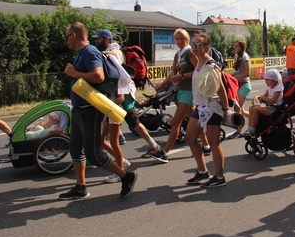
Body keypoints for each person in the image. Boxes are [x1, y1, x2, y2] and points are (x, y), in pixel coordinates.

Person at [59, 22, 137, 200]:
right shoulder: (81, 53)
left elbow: (98, 76)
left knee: (94, 154)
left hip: (90, 109)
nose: (66, 42)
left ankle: (127, 177)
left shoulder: (89, 52)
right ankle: (80, 187)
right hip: (80, 108)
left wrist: (74, 73)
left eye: (66, 37)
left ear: (74, 36)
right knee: (75, 149)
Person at [151, 29, 211, 163]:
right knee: (194, 119)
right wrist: (162, 84)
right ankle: (206, 146)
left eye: (182, 39)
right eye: (177, 39)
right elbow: (173, 72)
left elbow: (198, 70)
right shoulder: (178, 54)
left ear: (187, 40)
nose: (179, 41)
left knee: (176, 122)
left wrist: (182, 76)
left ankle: (165, 153)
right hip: (181, 90)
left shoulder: (190, 52)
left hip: (190, 90)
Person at [185, 32, 229, 187]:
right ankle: (202, 171)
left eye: (198, 44)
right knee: (189, 138)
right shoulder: (197, 63)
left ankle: (219, 176)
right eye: (193, 44)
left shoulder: (211, 66)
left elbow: (222, 90)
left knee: (213, 142)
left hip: (212, 107)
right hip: (201, 106)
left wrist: (226, 109)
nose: (194, 47)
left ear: (206, 47)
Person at [93, 29, 128, 145]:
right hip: (113, 90)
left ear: (107, 39)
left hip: (118, 90)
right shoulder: (107, 51)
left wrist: (102, 55)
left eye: (99, 39)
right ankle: (116, 139)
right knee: (109, 122)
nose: (97, 41)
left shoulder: (114, 51)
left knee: (107, 121)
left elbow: (117, 68)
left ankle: (109, 154)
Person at [242, 69, 283, 136]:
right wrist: (258, 97)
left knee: (256, 109)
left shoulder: (278, 88)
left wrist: (262, 97)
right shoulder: (270, 87)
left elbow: (273, 100)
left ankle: (253, 129)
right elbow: (264, 96)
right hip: (269, 107)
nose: (266, 82)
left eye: (267, 80)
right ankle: (249, 128)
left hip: (275, 109)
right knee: (251, 107)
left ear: (274, 80)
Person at [229, 39, 251, 138]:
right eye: (234, 46)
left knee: (236, 108)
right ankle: (256, 118)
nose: (234, 48)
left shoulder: (245, 57)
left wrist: (234, 77)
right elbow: (237, 71)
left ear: (241, 47)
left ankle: (238, 131)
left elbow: (247, 73)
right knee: (241, 110)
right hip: (238, 83)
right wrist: (228, 76)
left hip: (245, 84)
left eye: (236, 46)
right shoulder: (237, 56)